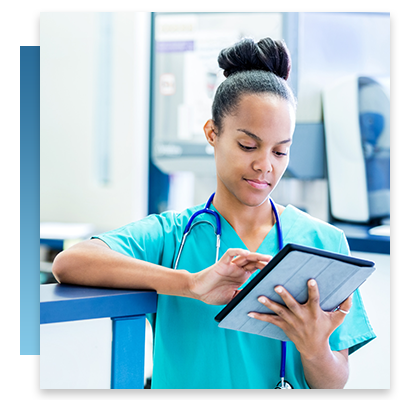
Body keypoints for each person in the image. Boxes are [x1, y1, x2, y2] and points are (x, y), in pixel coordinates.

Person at [52, 37, 376, 389]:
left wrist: (314, 348)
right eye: (247, 145)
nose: (264, 165)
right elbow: (71, 262)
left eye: (280, 152)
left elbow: (334, 383)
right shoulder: (173, 236)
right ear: (212, 133)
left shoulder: (323, 243)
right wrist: (190, 284)